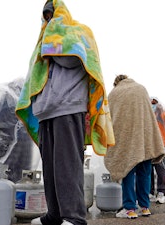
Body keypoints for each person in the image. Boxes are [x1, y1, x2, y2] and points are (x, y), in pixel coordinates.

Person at [15, 1, 115, 225]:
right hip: (46, 111)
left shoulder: (79, 31)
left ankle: (74, 217)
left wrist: (51, 43)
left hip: (69, 107)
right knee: (50, 167)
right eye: (46, 16)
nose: (49, 19)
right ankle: (55, 214)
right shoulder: (43, 40)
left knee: (67, 166)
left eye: (52, 13)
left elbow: (73, 59)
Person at [104, 75, 165, 219]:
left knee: (127, 172)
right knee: (145, 173)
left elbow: (110, 116)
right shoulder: (141, 89)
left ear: (116, 83)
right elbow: (149, 115)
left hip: (126, 140)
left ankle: (130, 208)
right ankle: (145, 208)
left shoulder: (114, 93)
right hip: (144, 139)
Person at [150, 97, 165, 203]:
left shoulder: (163, 113)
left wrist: (161, 112)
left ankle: (161, 192)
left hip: (162, 144)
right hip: (150, 145)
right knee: (148, 170)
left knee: (161, 169)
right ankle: (150, 192)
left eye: (154, 103)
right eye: (151, 103)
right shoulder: (147, 113)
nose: (153, 104)